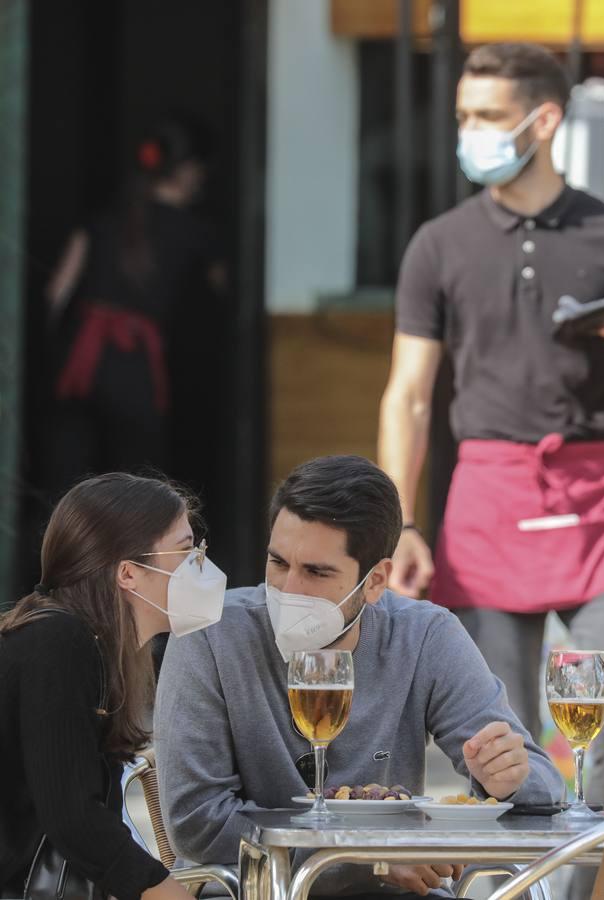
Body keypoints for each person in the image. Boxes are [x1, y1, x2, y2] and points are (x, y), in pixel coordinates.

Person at [377, 42, 604, 898]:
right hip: (484, 501)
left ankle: (583, 887)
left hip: (596, 498)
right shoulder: (436, 244)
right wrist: (400, 524)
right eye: (463, 117)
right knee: (497, 740)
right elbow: (408, 398)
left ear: (543, 119)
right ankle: (502, 889)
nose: (469, 133)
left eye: (485, 116)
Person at [154, 455, 563, 899]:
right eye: (277, 563)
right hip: (254, 891)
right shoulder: (210, 635)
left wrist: (509, 778)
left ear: (375, 581)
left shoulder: (424, 635)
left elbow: (544, 786)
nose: (288, 590)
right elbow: (197, 823)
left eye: (316, 572)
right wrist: (368, 859)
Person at [0, 472, 227, 898]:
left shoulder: (94, 646)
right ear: (128, 573)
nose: (201, 564)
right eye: (185, 550)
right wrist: (159, 888)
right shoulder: (58, 642)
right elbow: (72, 817)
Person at [45, 116, 225, 493]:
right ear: (185, 171)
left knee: (71, 474)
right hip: (137, 367)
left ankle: (67, 549)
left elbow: (56, 293)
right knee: (139, 485)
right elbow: (217, 300)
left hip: (81, 360)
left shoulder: (101, 220)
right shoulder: (197, 235)